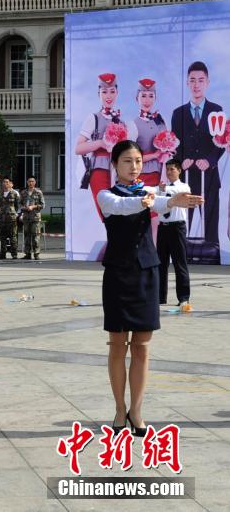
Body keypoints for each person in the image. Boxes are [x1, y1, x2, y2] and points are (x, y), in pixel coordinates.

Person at [97, 140, 201, 437]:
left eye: (139, 161)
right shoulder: (107, 195)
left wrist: (171, 201)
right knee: (118, 345)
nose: (134, 167)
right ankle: (120, 409)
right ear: (115, 165)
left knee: (142, 347)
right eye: (128, 161)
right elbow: (123, 206)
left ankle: (137, 411)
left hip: (146, 272)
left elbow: (157, 202)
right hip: (118, 274)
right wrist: (147, 200)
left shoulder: (149, 192)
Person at [171, 61, 223, 245]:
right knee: (182, 224)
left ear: (207, 82)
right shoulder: (178, 113)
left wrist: (209, 160)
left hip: (209, 177)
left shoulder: (216, 110)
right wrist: (180, 160)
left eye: (200, 80)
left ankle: (212, 260)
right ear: (187, 82)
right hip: (186, 177)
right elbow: (174, 144)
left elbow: (221, 143)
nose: (196, 84)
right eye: (192, 80)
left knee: (210, 226)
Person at [76, 73, 123, 220]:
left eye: (112, 91)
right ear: (99, 94)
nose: (108, 96)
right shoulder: (94, 118)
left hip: (118, 171)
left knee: (119, 210)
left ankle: (115, 241)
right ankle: (114, 241)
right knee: (106, 212)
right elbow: (78, 148)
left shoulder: (121, 121)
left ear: (117, 93)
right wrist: (101, 143)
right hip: (99, 169)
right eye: (104, 92)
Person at [156, 159, 192, 307]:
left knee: (179, 263)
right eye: (167, 169)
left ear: (179, 171)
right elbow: (155, 202)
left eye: (172, 169)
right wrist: (159, 190)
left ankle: (183, 298)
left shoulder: (184, 186)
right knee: (160, 264)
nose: (169, 172)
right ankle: (159, 297)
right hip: (163, 227)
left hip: (177, 228)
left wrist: (164, 190)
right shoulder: (161, 188)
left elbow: (181, 195)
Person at [19, 177, 45, 260]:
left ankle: (36, 254)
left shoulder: (38, 192)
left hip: (35, 218)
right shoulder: (23, 193)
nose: (31, 183)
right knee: (27, 236)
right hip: (26, 217)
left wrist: (34, 206)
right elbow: (19, 204)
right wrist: (24, 208)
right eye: (29, 181)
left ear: (35, 182)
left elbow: (43, 205)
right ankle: (27, 254)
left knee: (36, 236)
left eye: (32, 181)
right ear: (27, 182)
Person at [0, 178, 20, 260]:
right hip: (2, 218)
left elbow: (18, 206)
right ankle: (3, 254)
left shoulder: (15, 193)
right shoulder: (0, 193)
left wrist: (16, 214)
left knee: (13, 236)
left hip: (11, 218)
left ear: (10, 184)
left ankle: (14, 254)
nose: (5, 184)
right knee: (2, 237)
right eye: (3, 182)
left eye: (6, 182)